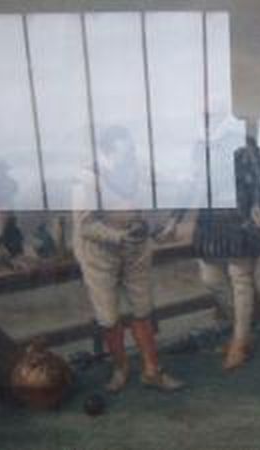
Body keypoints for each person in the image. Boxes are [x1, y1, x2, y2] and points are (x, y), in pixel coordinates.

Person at [72, 125, 184, 392]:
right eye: (125, 152)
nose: (131, 156)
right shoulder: (87, 178)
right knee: (109, 316)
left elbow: (153, 200)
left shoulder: (140, 170)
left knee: (143, 309)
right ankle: (120, 369)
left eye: (132, 150)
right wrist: (118, 237)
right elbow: (85, 224)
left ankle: (152, 370)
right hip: (98, 253)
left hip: (135, 248)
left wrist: (156, 224)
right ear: (107, 152)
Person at [193, 121, 260, 370]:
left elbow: (258, 180)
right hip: (210, 220)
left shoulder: (248, 148)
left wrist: (257, 207)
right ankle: (248, 327)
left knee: (240, 279)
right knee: (211, 279)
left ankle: (239, 341)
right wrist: (174, 219)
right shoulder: (199, 146)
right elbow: (193, 183)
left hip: (240, 219)